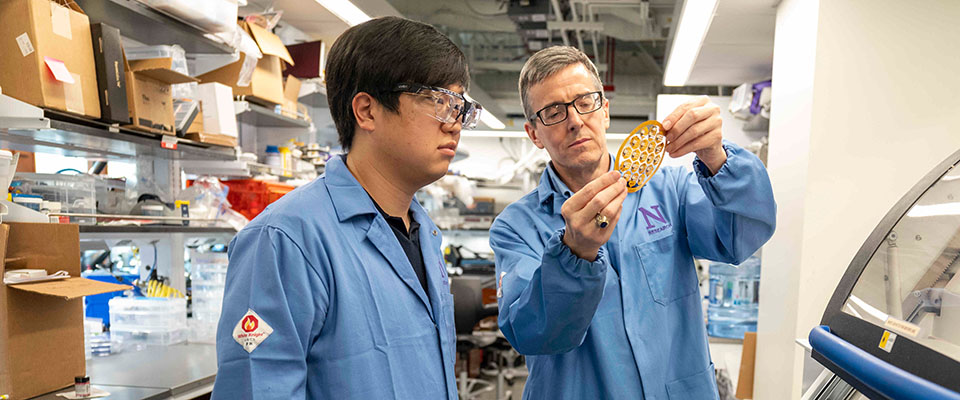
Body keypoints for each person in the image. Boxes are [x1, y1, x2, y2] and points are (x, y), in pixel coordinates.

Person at [212, 16, 482, 399]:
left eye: (459, 108)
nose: (454, 124)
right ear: (367, 111)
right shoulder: (286, 240)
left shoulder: (422, 233)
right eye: (439, 102)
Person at [490, 46, 776, 399]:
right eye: (552, 112)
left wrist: (716, 157)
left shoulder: (672, 191)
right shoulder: (516, 227)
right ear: (534, 134)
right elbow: (531, 334)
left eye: (585, 101)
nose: (575, 120)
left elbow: (742, 237)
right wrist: (574, 252)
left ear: (605, 111)